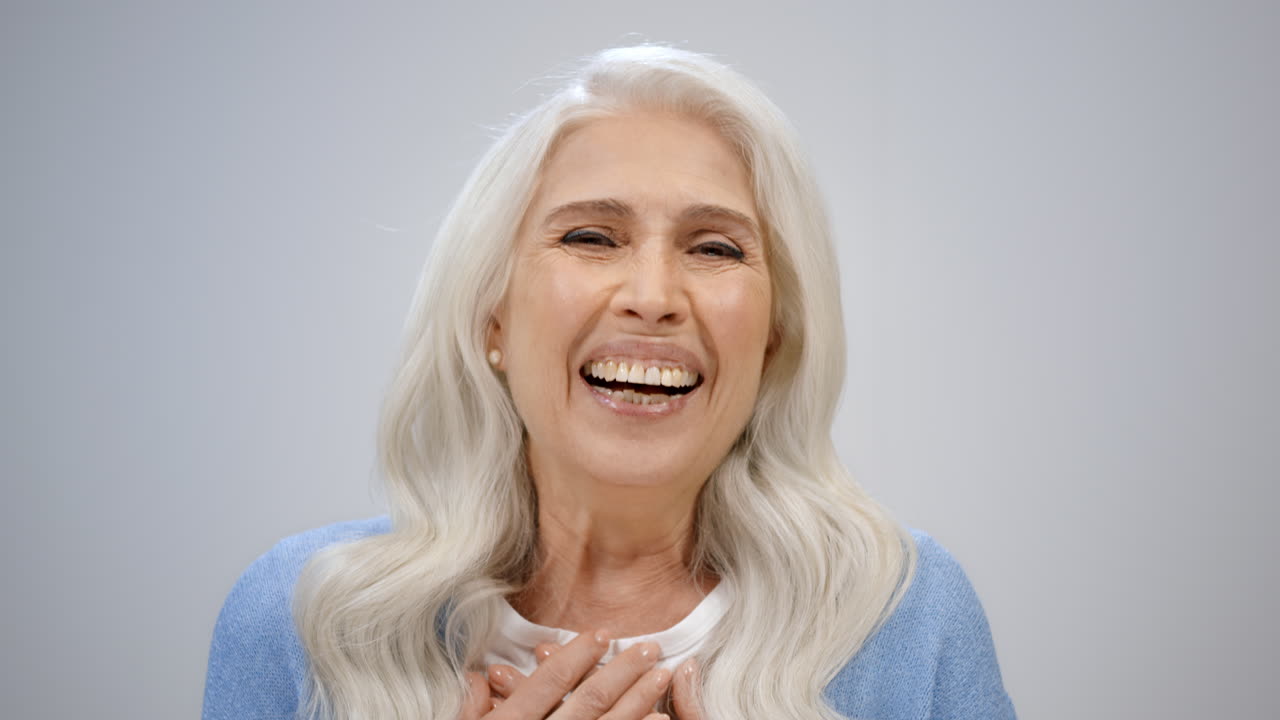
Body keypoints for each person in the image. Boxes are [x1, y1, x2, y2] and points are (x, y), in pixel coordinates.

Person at [203, 45, 1016, 720]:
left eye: (715, 248)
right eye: (592, 237)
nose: (653, 297)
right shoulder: (303, 615)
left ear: (774, 336)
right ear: (492, 317)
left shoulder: (907, 614)